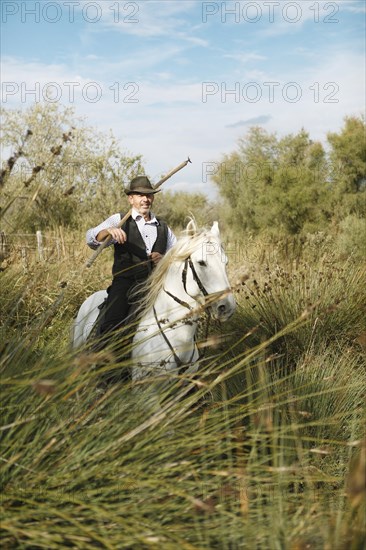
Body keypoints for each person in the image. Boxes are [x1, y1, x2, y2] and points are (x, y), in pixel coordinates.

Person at [86, 176, 176, 352]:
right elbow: (90, 238)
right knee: (112, 321)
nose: (145, 199)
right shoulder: (119, 219)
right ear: (131, 199)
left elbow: (178, 255)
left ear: (153, 198)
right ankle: (105, 368)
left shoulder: (163, 227)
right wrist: (108, 231)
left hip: (155, 285)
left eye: (149, 195)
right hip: (125, 283)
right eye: (140, 195)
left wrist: (165, 258)